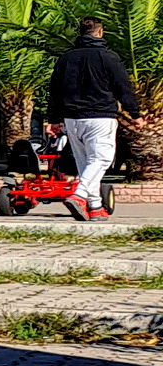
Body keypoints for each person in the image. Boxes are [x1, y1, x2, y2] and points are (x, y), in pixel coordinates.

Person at [47, 16, 140, 221]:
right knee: (101, 158)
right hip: (100, 116)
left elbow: (54, 90)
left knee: (85, 163)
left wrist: (53, 119)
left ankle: (95, 206)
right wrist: (135, 113)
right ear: (100, 32)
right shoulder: (108, 57)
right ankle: (79, 196)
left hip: (72, 119)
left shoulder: (66, 58)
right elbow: (122, 87)